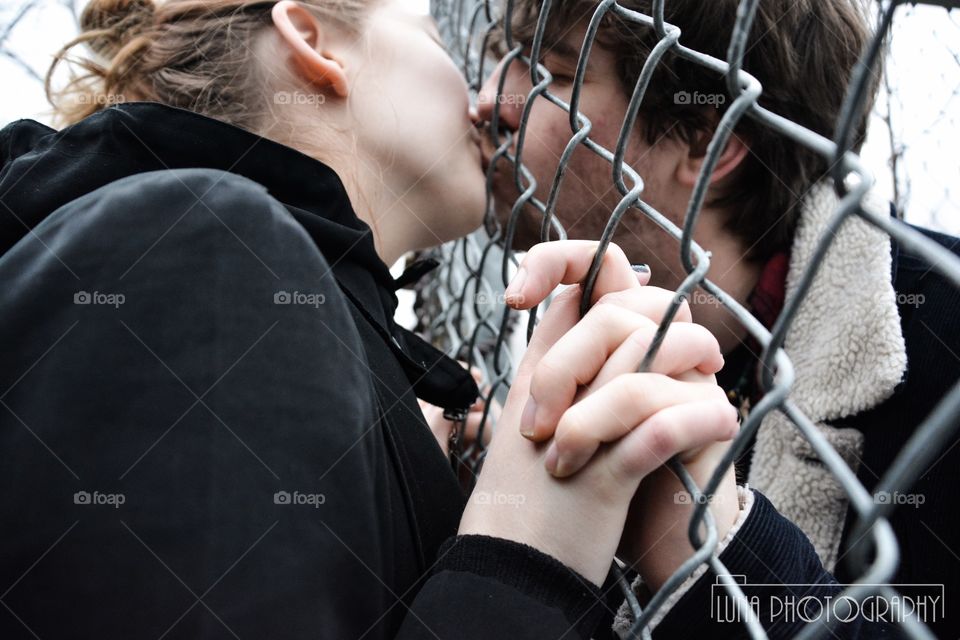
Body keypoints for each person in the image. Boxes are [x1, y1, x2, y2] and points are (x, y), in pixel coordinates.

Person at [0, 0, 741, 638]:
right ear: (315, 43)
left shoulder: (286, 307)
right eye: (433, 35)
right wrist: (525, 557)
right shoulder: (206, 247)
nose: (483, 101)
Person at [476, 0, 960, 637]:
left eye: (553, 73)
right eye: (507, 60)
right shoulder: (599, 321)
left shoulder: (940, 340)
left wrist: (725, 549)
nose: (488, 100)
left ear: (706, 140)